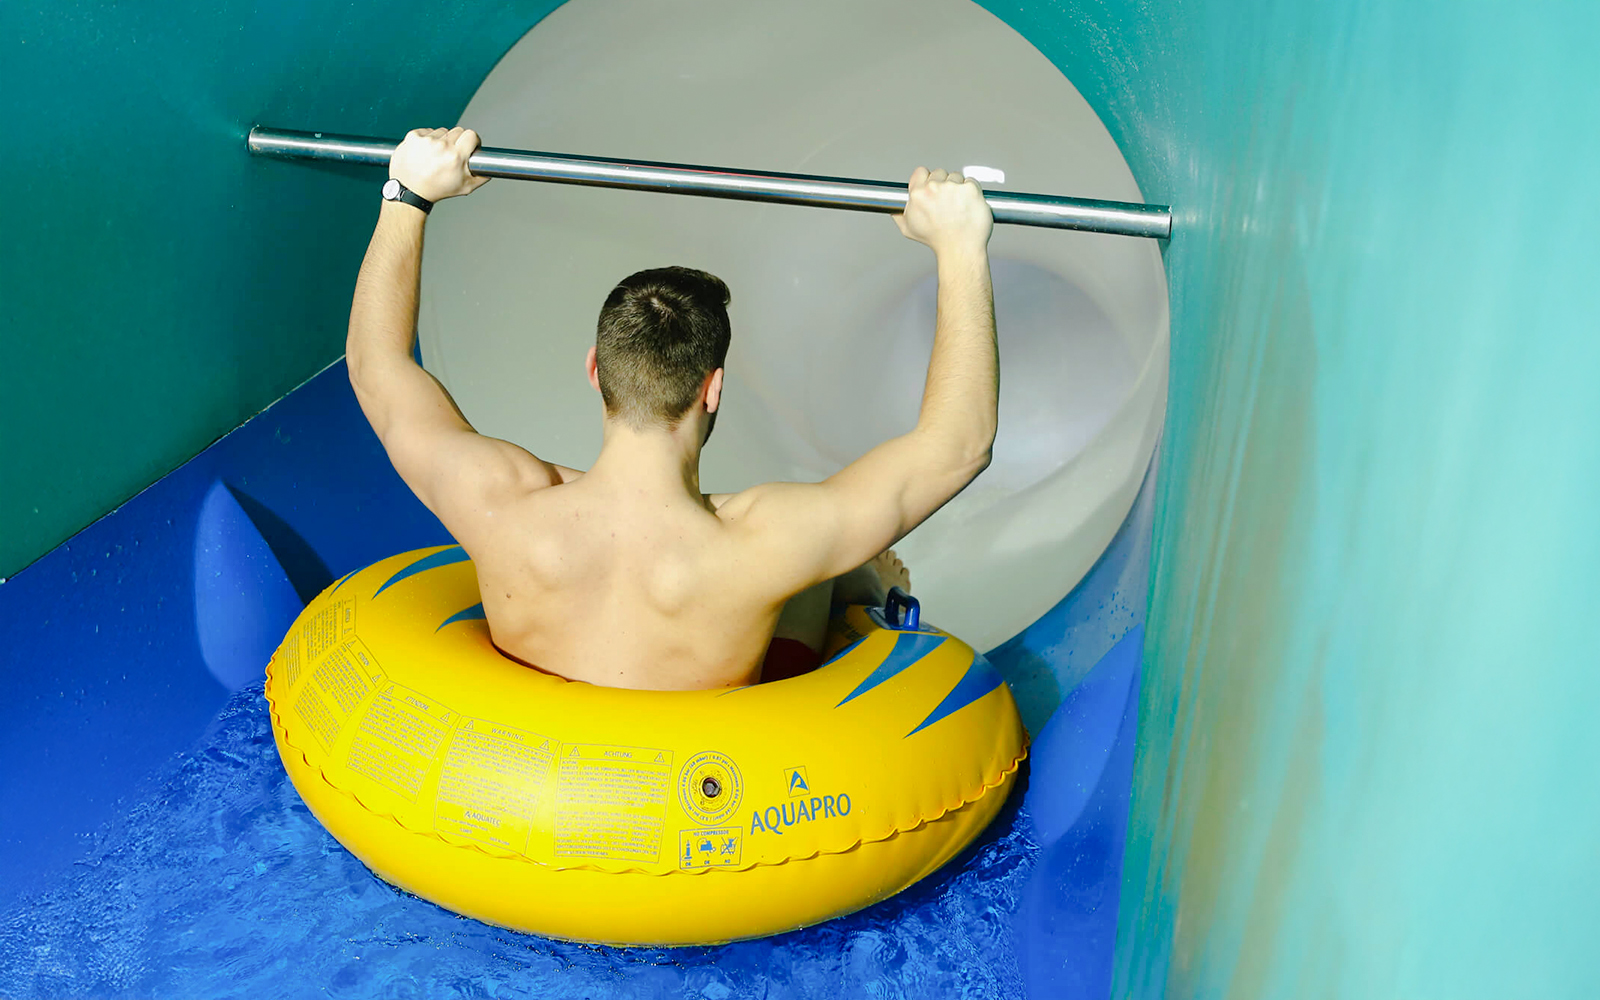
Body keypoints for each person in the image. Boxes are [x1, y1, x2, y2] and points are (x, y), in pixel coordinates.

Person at [346, 126, 996, 690]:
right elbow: (958, 445)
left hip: (528, 794)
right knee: (830, 568)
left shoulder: (496, 500)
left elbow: (377, 369)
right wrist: (959, 246)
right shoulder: (768, 540)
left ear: (596, 371)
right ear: (712, 389)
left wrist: (409, 193)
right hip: (693, 797)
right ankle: (870, 588)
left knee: (824, 564)